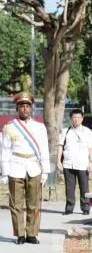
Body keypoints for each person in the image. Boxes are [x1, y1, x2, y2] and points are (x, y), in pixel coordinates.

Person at [1, 92, 50, 244]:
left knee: (34, 202)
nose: (24, 108)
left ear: (31, 108)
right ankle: (20, 234)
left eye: (27, 106)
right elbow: (5, 150)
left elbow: (44, 149)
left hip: (34, 167)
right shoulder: (9, 127)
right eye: (21, 106)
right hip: (15, 166)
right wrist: (4, 172)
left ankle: (31, 233)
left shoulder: (40, 127)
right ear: (17, 108)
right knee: (16, 204)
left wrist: (46, 170)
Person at [57, 109, 92, 215]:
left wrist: (91, 162)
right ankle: (69, 208)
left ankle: (86, 208)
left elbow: (91, 148)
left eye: (78, 117)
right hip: (68, 163)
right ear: (71, 119)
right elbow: (60, 146)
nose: (76, 119)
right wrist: (58, 161)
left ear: (82, 119)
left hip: (83, 163)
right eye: (74, 117)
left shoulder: (87, 131)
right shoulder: (65, 131)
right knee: (69, 187)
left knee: (84, 187)